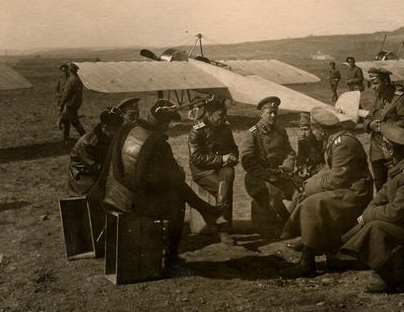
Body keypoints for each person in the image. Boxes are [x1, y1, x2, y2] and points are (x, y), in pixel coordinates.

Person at [103, 99, 221, 271]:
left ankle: (206, 210)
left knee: (175, 187)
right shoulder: (158, 143)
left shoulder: (128, 128)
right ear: (164, 124)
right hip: (134, 201)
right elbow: (174, 178)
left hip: (115, 192)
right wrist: (177, 172)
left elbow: (117, 165)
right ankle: (171, 255)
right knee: (177, 201)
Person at [341, 123, 404, 293]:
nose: (381, 148)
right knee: (368, 223)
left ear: (390, 149)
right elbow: (382, 195)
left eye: (383, 145)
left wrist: (369, 215)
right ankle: (348, 252)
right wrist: (368, 212)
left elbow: (395, 213)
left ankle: (392, 277)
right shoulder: (398, 167)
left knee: (376, 226)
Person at [280, 106, 374, 278]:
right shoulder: (334, 139)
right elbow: (330, 170)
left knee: (312, 204)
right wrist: (309, 183)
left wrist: (310, 187)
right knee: (307, 195)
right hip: (346, 187)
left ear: (320, 129)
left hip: (355, 192)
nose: (313, 133)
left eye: (313, 128)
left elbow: (337, 179)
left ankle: (307, 262)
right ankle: (313, 244)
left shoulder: (343, 143)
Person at [240, 96, 296, 237]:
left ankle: (291, 221)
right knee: (273, 194)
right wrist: (268, 176)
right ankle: (276, 225)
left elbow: (289, 152)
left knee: (300, 191)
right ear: (261, 113)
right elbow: (247, 161)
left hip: (280, 173)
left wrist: (286, 168)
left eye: (275, 112)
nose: (273, 116)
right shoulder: (252, 134)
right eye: (269, 112)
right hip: (258, 177)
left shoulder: (280, 131)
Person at [188, 98, 239, 245]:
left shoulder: (225, 128)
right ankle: (224, 229)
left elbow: (233, 148)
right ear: (209, 114)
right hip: (203, 171)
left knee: (228, 173)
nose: (224, 118)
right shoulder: (197, 131)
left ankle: (223, 225)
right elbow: (196, 158)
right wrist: (222, 159)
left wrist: (233, 157)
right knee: (223, 187)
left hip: (222, 167)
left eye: (225, 114)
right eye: (220, 115)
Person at [363, 67, 404, 192]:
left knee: (395, 184)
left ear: (385, 81)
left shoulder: (400, 99)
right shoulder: (379, 98)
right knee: (380, 185)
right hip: (376, 150)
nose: (373, 87)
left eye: (375, 83)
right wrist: (370, 125)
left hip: (393, 150)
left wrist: (384, 127)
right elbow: (368, 118)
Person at [68, 107, 124, 196]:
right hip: (84, 180)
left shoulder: (108, 137)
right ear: (105, 127)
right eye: (115, 130)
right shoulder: (87, 143)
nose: (118, 133)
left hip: (99, 175)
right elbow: (95, 167)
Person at [59, 63, 86, 144]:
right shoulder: (78, 79)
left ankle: (85, 137)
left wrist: (61, 104)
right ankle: (65, 139)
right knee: (66, 120)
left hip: (70, 104)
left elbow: (66, 94)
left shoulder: (71, 80)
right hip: (76, 103)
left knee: (74, 122)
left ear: (70, 70)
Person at [295, 112, 324, 179]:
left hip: (321, 168)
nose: (303, 133)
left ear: (312, 129)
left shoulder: (319, 140)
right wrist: (302, 167)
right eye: (301, 130)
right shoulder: (302, 141)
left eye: (306, 129)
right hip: (309, 167)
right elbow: (300, 158)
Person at [55, 64, 70, 130]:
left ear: (68, 70)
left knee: (66, 113)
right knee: (60, 112)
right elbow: (57, 87)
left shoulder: (70, 78)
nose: (64, 72)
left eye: (65, 70)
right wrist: (57, 94)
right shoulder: (60, 78)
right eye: (63, 70)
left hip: (68, 98)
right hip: (60, 98)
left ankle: (59, 122)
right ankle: (61, 124)